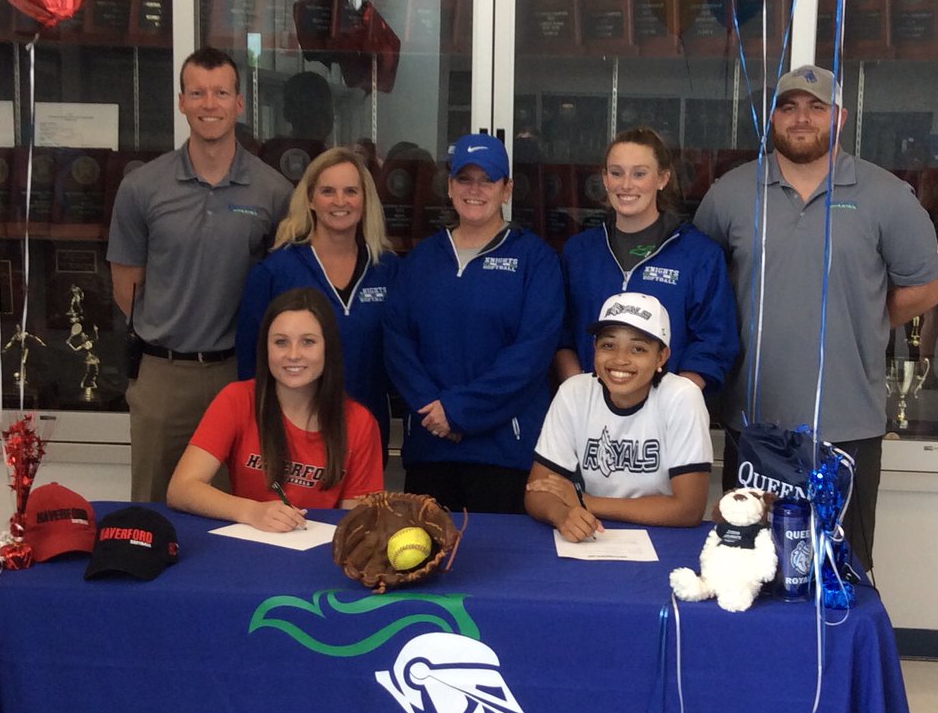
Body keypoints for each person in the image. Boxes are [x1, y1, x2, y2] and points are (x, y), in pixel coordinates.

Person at [694, 64, 938, 572]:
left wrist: (868, 318)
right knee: (747, 569)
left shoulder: (886, 195)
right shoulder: (731, 193)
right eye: (788, 107)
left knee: (840, 573)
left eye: (816, 106)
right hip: (753, 424)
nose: (801, 118)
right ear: (772, 118)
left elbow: (927, 287)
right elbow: (702, 287)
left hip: (846, 423)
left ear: (841, 116)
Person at [107, 46, 293, 504]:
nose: (210, 104)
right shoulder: (142, 188)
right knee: (152, 508)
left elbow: (283, 291)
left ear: (239, 104)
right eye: (198, 93)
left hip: (239, 371)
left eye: (221, 93)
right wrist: (172, 328)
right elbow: (125, 284)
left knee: (238, 509)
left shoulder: (274, 191)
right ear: (182, 102)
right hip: (162, 375)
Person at [384, 133, 563, 513]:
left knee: (504, 566)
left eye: (488, 179)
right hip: (431, 448)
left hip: (504, 451)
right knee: (424, 560)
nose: (475, 189)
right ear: (449, 187)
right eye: (465, 179)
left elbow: (530, 355)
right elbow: (397, 343)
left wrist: (458, 411)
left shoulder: (536, 261)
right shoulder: (420, 260)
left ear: (507, 189)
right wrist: (432, 410)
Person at [167, 287, 383, 529]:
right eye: (281, 342)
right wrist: (251, 511)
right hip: (248, 542)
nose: (293, 354)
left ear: (328, 347)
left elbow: (357, 522)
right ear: (265, 348)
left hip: (320, 552)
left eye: (308, 342)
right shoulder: (237, 399)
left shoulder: (360, 422)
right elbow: (181, 488)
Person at [236, 146, 399, 455]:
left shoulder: (387, 270)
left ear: (365, 200)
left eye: (351, 191)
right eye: (327, 191)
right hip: (290, 436)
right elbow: (250, 363)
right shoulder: (275, 271)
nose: (340, 202)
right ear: (310, 199)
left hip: (366, 431)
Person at [555, 126, 738, 392]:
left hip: (667, 418)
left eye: (639, 173)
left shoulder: (699, 255)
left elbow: (715, 343)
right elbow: (561, 334)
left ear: (662, 178)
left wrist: (669, 404)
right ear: (605, 179)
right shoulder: (579, 252)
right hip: (590, 414)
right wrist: (579, 393)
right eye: (616, 173)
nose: (626, 184)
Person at [525, 293, 711, 541]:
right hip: (595, 535)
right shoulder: (575, 391)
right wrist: (561, 514)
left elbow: (688, 509)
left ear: (661, 357)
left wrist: (584, 502)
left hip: (664, 536)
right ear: (594, 348)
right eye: (608, 345)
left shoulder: (682, 396)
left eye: (638, 349)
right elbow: (536, 491)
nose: (620, 359)